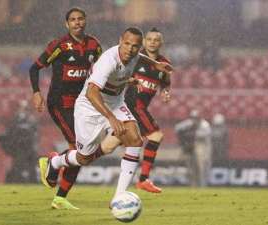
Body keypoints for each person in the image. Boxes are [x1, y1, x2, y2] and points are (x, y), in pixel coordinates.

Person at [38, 27, 173, 207]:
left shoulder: (135, 55)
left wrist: (154, 64)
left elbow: (139, 56)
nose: (130, 49)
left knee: (135, 139)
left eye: (135, 46)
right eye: (126, 44)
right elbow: (92, 93)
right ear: (120, 41)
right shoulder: (108, 61)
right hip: (90, 107)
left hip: (116, 102)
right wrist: (111, 118)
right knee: (84, 158)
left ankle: (119, 198)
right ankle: (54, 162)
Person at [29, 7, 102, 209]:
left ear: (85, 21)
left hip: (82, 104)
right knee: (80, 148)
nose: (77, 22)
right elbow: (34, 67)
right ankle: (58, 186)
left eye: (80, 19)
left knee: (82, 150)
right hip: (60, 102)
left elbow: (101, 71)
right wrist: (36, 93)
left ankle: (54, 168)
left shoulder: (94, 45)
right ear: (66, 24)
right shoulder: (59, 45)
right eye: (73, 20)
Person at [124, 28, 171, 193]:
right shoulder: (135, 58)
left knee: (106, 146)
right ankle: (143, 180)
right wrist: (129, 81)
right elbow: (119, 74)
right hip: (132, 104)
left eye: (156, 40)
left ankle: (62, 162)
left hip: (139, 107)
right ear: (144, 42)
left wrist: (165, 91)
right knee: (156, 136)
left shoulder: (164, 63)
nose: (152, 42)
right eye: (149, 39)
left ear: (161, 43)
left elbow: (165, 81)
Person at [0, 100, 39, 183]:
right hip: (19, 148)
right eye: (20, 108)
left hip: (29, 147)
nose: (21, 110)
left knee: (31, 168)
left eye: (23, 108)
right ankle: (17, 182)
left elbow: (33, 132)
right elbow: (10, 131)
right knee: (18, 167)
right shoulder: (15, 119)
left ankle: (33, 183)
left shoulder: (30, 119)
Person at [174, 110, 212, 187]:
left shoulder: (205, 125)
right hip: (192, 148)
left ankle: (202, 185)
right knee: (191, 168)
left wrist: (190, 133)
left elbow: (204, 134)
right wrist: (185, 134)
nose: (194, 119)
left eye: (196, 118)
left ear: (199, 118)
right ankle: (193, 185)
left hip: (204, 148)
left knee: (202, 168)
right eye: (193, 118)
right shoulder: (189, 123)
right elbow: (177, 128)